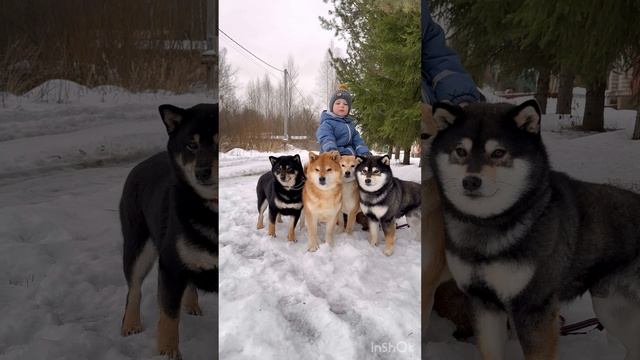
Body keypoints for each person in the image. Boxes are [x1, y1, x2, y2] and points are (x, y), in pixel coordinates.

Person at [316, 86, 371, 156]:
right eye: (338, 103)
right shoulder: (327, 123)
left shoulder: (350, 126)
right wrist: (331, 149)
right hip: (331, 156)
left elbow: (358, 141)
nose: (342, 106)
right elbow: (325, 137)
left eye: (345, 104)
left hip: (348, 157)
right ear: (331, 107)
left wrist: (364, 152)